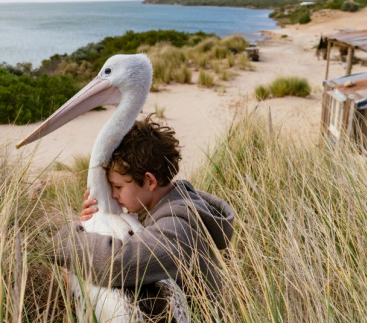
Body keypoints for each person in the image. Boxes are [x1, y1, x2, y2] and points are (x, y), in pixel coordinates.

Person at [52, 114, 235, 318]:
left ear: (150, 181)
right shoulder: (166, 206)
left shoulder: (178, 226)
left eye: (118, 186)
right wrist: (93, 221)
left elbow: (120, 263)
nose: (113, 194)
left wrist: (69, 239)